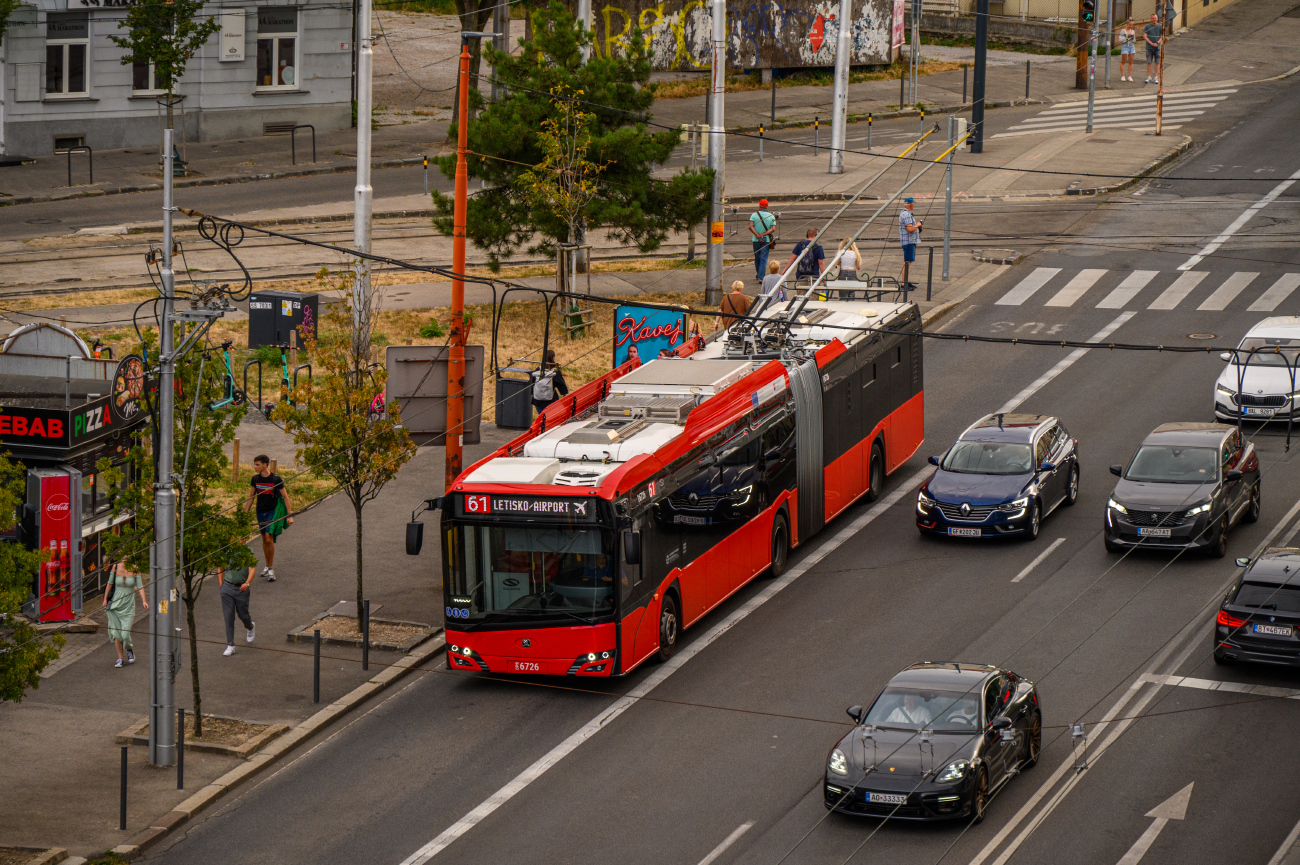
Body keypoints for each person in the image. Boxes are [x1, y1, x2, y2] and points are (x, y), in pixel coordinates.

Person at [246, 456, 292, 581]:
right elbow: (251, 497)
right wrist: (245, 513)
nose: (255, 467)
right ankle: (267, 565)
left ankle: (271, 568)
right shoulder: (255, 479)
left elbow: (285, 496)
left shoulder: (275, 479)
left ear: (265, 465)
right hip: (260, 512)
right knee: (264, 540)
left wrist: (289, 514)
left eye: (257, 464)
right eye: (254, 465)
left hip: (273, 512)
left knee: (268, 538)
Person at [104, 561, 147, 668]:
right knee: (117, 634)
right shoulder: (115, 567)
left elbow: (140, 586)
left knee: (125, 634)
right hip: (115, 604)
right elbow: (109, 583)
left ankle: (129, 648)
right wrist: (105, 599)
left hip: (128, 606)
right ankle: (120, 658)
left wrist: (144, 601)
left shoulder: (136, 568)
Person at [220, 540, 257, 656]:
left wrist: (247, 583)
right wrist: (221, 586)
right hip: (227, 587)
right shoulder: (226, 552)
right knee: (228, 617)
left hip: (242, 588)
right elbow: (220, 568)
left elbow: (252, 569)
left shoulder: (248, 552)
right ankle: (230, 645)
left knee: (243, 614)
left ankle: (250, 626)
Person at [531, 349, 569, 415]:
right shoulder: (554, 371)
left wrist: (532, 393)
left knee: (542, 418)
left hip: (538, 400)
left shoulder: (538, 370)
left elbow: (532, 383)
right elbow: (561, 385)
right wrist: (564, 394)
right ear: (553, 358)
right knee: (550, 418)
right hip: (551, 401)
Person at [749, 199, 778, 282]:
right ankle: (760, 277)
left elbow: (750, 226)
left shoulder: (754, 215)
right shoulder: (771, 216)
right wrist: (764, 234)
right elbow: (773, 229)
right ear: (767, 206)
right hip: (766, 240)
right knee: (763, 258)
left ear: (759, 206)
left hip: (756, 240)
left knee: (757, 258)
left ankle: (759, 275)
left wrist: (757, 235)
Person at [897, 197, 922, 289]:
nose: (914, 205)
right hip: (909, 242)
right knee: (907, 262)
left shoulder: (905, 213)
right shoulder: (907, 215)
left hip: (909, 241)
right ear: (911, 204)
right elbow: (910, 229)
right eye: (913, 203)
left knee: (908, 262)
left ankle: (906, 282)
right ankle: (904, 284)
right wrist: (918, 225)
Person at [1143, 14, 1163, 84]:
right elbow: (1145, 36)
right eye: (1153, 18)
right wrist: (1151, 43)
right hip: (1149, 47)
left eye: (1155, 18)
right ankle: (1149, 76)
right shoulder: (1147, 26)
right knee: (1149, 62)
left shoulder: (1160, 26)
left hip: (1157, 47)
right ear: (1151, 19)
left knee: (1157, 62)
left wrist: (1157, 43)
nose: (1154, 19)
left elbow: (1162, 36)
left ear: (1157, 18)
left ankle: (1155, 77)